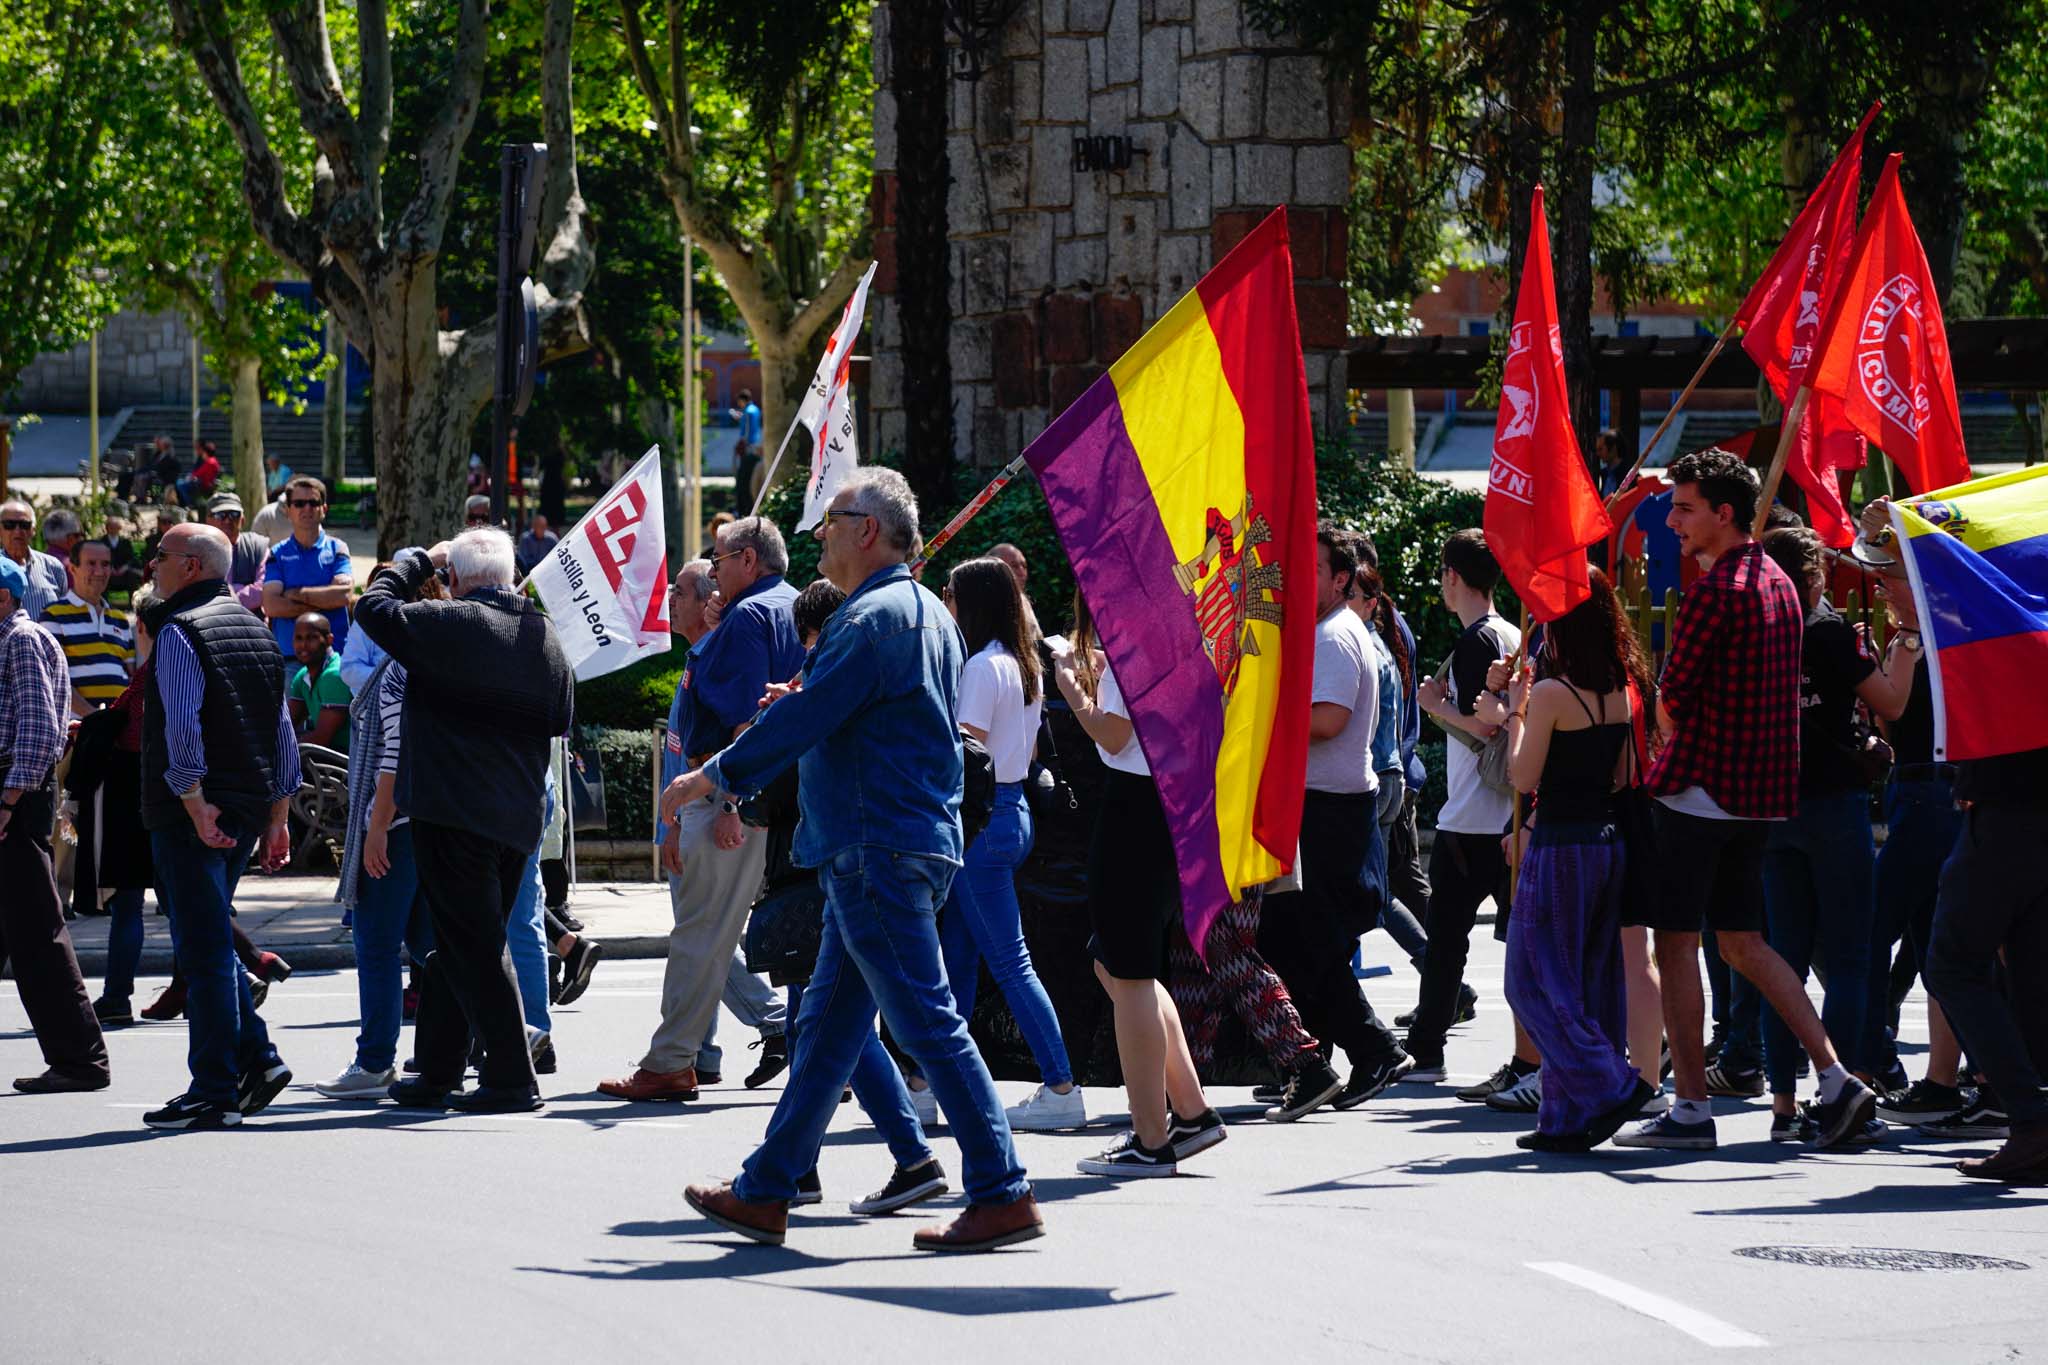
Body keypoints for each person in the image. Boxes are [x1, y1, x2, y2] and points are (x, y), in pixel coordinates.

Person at [674, 468, 1043, 1254]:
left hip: (877, 846)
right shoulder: (922, 615)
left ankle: (1002, 1189)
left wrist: (713, 775)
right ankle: (767, 1187)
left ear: (866, 528)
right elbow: (847, 713)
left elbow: (807, 716)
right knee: (828, 1026)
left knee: (925, 1019)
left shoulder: (872, 617)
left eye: (832, 522)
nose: (823, 537)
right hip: (893, 842)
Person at [1616, 448, 1876, 1152]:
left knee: (1677, 944)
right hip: (1757, 796)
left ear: (1723, 513)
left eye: (1685, 507)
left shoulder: (1716, 591)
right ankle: (1836, 1078)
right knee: (1743, 942)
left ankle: (1693, 1107)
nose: (1672, 520)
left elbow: (1670, 699)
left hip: (1700, 789)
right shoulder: (1781, 585)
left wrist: (1671, 727)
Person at [354, 528, 573, 1114]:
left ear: (455, 579)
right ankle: (438, 1071)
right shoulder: (544, 635)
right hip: (516, 817)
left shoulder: (452, 624)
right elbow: (561, 717)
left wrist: (421, 558)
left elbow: (372, 608)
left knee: (473, 946)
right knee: (457, 946)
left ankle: (510, 1077)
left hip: (455, 813)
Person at [599, 525, 800, 1102]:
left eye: (718, 562)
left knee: (699, 934)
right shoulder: (780, 608)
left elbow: (743, 723)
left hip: (731, 796)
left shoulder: (747, 616)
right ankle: (709, 1054)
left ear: (748, 559)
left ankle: (670, 1062)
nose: (713, 574)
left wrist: (732, 801)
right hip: (777, 798)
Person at [1053, 595, 1231, 1173]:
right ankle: (1190, 1112)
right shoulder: (1179, 635)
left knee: (1127, 972)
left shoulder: (1140, 639)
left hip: (1137, 806)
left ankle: (1151, 1139)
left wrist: (1071, 688)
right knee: (1119, 964)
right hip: (1166, 803)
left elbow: (1110, 731)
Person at [137, 523, 300, 1129]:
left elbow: (182, 728)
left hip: (196, 815)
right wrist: (278, 816)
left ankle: (214, 1090)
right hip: (246, 808)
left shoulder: (180, 631)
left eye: (161, 556)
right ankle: (258, 1059)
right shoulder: (257, 631)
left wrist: (193, 801)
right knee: (208, 941)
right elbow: (281, 734)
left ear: (190, 566)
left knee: (203, 952)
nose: (153, 564)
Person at [1756, 526, 1911, 1142]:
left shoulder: (1758, 632)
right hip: (1832, 805)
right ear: (1814, 576)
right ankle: (1842, 1092)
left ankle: (1784, 1103)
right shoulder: (1826, 631)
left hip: (1772, 806)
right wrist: (1903, 648)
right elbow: (1891, 705)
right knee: (1849, 957)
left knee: (1782, 962)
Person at [1496, 570, 1657, 1151]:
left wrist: (1514, 712)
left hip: (1562, 847)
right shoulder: (1624, 685)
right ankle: (1565, 1117)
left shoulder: (1550, 694)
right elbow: (1623, 775)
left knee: (1532, 979)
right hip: (1608, 842)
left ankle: (1611, 1084)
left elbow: (1522, 775)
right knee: (1589, 979)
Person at [922, 557, 1082, 1131]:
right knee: (960, 956)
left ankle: (1061, 1086)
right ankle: (932, 1083)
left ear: (973, 602)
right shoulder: (1021, 665)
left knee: (1006, 962)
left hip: (984, 821)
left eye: (950, 592)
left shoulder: (983, 668)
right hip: (1010, 813)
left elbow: (966, 756)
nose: (945, 600)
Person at [1258, 525, 1414, 1108]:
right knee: (1301, 940)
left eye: (1313, 570)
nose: (1300, 578)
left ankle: (1372, 1050)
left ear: (1340, 579)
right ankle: (1312, 1060)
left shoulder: (1334, 637)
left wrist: (1262, 719)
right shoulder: (1329, 630)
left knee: (1309, 943)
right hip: (1324, 808)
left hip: (1330, 813)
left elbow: (1327, 721)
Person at [1403, 529, 1523, 1094]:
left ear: (1453, 577)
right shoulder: (1510, 634)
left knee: (1448, 938)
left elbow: (1485, 724)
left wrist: (1434, 706)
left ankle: (1427, 1048)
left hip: (1473, 815)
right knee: (1514, 937)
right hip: (1507, 814)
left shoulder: (1478, 641)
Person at [1863, 547, 1975, 1133]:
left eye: (1891, 578)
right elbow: (1892, 723)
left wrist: (1898, 649)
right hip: (1920, 792)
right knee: (1938, 947)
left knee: (1871, 932)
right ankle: (1948, 1079)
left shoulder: (1931, 639)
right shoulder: (1922, 637)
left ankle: (1868, 1065)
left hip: (1929, 798)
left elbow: (1893, 708)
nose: (1879, 586)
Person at [0, 554, 111, 1093]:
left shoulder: (19, 639)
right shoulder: (22, 637)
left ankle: (80, 1059)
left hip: (13, 794)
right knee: (20, 927)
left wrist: (7, 800)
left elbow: (40, 729)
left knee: (38, 933)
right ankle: (77, 1057)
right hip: (15, 792)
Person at [317, 625, 433, 1098]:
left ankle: (374, 1061)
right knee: (433, 943)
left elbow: (393, 755)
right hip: (434, 820)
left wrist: (378, 827)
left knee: (377, 943)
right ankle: (499, 1033)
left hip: (398, 823)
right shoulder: (439, 656)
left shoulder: (397, 670)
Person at [76, 587, 163, 1027]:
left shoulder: (151, 678)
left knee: (130, 904)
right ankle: (245, 968)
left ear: (141, 626)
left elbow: (133, 736)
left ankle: (116, 995)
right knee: (187, 900)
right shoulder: (163, 673)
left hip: (140, 796)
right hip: (167, 795)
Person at [261, 475, 355, 658]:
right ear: (288, 511)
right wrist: (325, 601)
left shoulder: (338, 549)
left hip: (334, 658)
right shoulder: (276, 554)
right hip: (290, 658)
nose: (307, 508)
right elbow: (271, 606)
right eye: (299, 503)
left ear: (324, 509)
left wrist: (297, 594)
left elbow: (342, 595)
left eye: (313, 503)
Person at [39, 538, 134, 718]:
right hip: (77, 729)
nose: (99, 571)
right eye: (91, 563)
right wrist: (92, 717)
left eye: (105, 564)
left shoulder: (120, 619)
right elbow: (53, 676)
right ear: (72, 568)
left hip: (118, 727)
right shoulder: (53, 615)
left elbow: (131, 676)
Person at [287, 612, 353, 750]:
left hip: (345, 762)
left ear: (329, 640)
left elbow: (321, 740)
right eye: (298, 638)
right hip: (324, 759)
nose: (303, 645)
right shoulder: (303, 675)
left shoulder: (334, 675)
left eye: (312, 638)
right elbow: (286, 726)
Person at [1, 500, 72, 623]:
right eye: (9, 524)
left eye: (24, 525)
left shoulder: (53, 567)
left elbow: (64, 613)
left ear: (33, 530)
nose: (17, 531)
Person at [208, 494, 270, 612]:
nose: (227, 520)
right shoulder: (198, 551)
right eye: (220, 515)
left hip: (251, 623)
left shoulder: (258, 546)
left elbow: (265, 589)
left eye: (234, 514)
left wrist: (226, 600)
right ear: (208, 520)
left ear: (242, 519)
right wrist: (242, 590)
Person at [731, 389, 764, 507]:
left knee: (745, 474)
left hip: (749, 446)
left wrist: (743, 442)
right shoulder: (755, 409)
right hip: (756, 443)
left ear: (742, 400)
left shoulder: (748, 412)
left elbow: (748, 429)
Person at [175, 441, 222, 507]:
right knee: (181, 483)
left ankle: (189, 504)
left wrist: (190, 477)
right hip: (207, 485)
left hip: (204, 486)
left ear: (205, 453)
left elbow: (197, 474)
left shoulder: (209, 462)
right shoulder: (214, 461)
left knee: (180, 485)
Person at [1594, 428, 1632, 499]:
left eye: (1601, 449)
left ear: (1613, 449)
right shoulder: (1604, 474)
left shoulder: (1629, 474)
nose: (1598, 454)